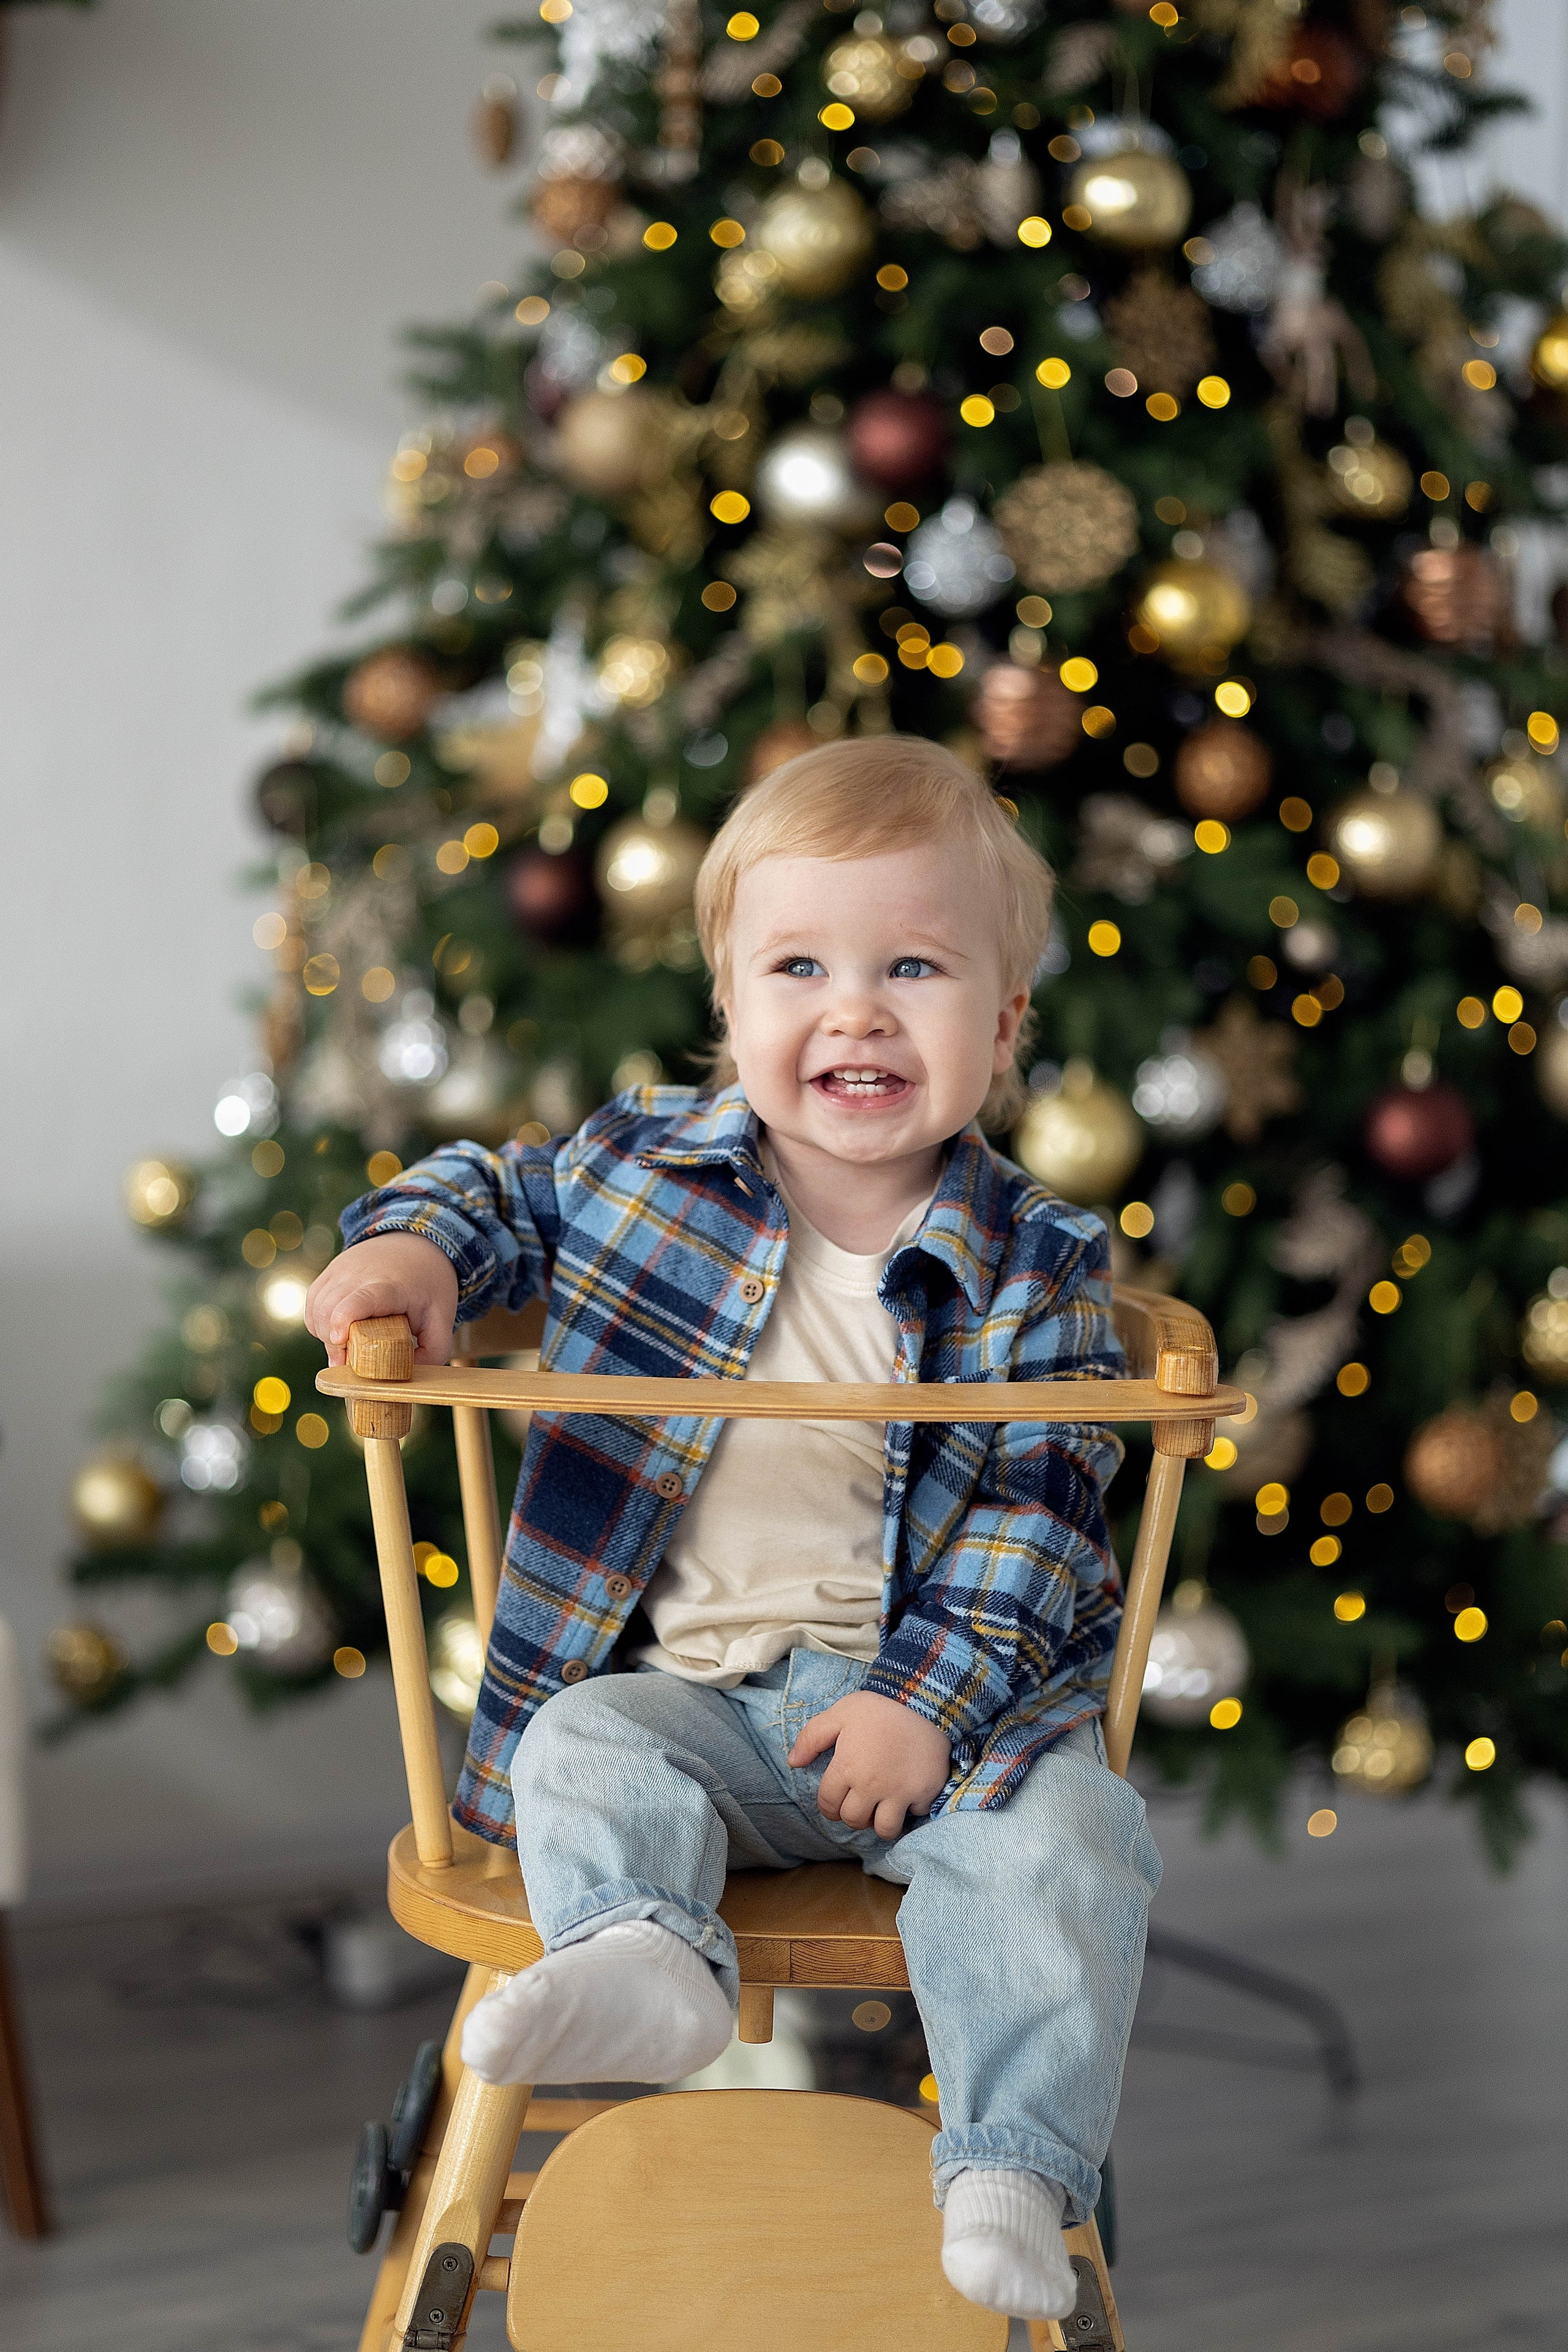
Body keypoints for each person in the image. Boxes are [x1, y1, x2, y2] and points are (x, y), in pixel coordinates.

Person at [304, 736, 1160, 2323]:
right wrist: (416, 1256)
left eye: (916, 965)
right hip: (708, 1718)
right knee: (582, 1742)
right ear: (732, 1007)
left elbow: (1041, 1510)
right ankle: (652, 1957)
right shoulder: (640, 1173)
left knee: (1080, 1843)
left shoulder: (1037, 1260)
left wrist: (928, 1700)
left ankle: (1008, 2167)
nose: (855, 1009)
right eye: (799, 966)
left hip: (948, 1730)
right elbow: (484, 1195)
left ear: (1005, 1021)